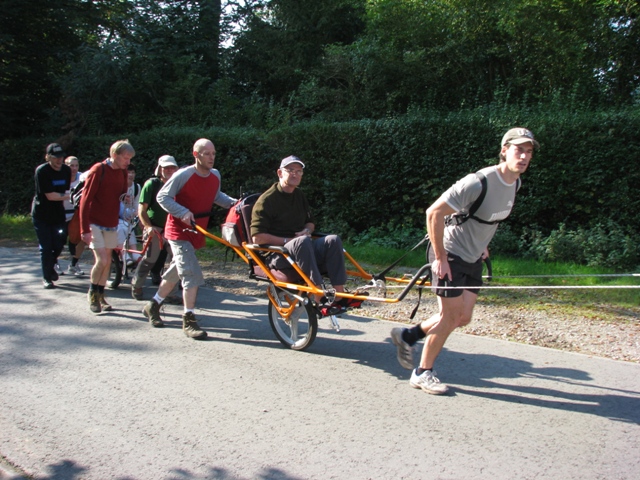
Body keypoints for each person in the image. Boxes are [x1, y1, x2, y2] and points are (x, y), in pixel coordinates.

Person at [391, 127, 538, 395]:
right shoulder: (478, 181)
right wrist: (442, 259)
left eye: (529, 152)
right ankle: (422, 373)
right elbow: (433, 212)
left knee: (463, 317)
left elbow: (487, 219)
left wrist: (484, 246)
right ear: (504, 150)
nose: (524, 156)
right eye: (519, 150)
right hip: (449, 253)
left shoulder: (514, 183)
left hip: (473, 255)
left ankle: (408, 336)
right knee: (450, 317)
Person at [142, 139, 236, 339]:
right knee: (190, 272)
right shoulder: (183, 175)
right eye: (206, 153)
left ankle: (153, 305)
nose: (211, 157)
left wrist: (234, 204)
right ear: (196, 154)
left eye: (213, 153)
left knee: (177, 270)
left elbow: (215, 195)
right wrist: (182, 211)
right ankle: (189, 318)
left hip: (196, 230)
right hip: (178, 231)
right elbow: (162, 197)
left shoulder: (215, 175)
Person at [250, 155, 358, 315]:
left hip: (301, 249)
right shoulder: (267, 200)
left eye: (299, 171)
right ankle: (318, 295)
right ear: (280, 173)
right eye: (290, 170)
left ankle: (338, 296)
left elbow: (310, 222)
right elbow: (257, 237)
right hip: (276, 254)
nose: (295, 174)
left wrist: (307, 231)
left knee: (332, 240)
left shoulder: (299, 195)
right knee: (301, 242)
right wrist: (290, 240)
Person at [79, 139, 134, 313]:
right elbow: (85, 200)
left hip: (111, 222)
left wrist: (124, 197)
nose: (128, 162)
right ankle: (93, 293)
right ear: (114, 155)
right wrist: (84, 229)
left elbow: (121, 192)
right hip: (94, 221)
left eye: (129, 158)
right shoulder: (98, 170)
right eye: (125, 157)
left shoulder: (123, 172)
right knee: (102, 259)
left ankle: (101, 295)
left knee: (108, 261)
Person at [131, 155, 179, 301]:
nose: (169, 170)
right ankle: (136, 285)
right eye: (166, 167)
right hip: (155, 228)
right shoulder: (152, 184)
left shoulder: (179, 184)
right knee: (150, 259)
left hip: (172, 229)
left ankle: (170, 292)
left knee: (177, 260)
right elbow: (142, 209)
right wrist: (148, 227)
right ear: (160, 169)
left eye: (172, 167)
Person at [31, 143, 72, 289]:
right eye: (55, 157)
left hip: (58, 214)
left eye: (61, 157)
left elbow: (65, 192)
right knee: (46, 247)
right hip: (42, 215)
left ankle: (50, 266)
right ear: (47, 157)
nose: (59, 160)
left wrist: (69, 196)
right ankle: (46, 278)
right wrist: (70, 197)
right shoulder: (42, 171)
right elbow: (51, 196)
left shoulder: (66, 170)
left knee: (59, 244)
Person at [63, 156, 86, 276]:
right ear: (65, 165)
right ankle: (54, 263)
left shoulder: (81, 178)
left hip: (76, 213)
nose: (74, 168)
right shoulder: (60, 177)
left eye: (76, 165)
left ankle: (73, 264)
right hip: (60, 213)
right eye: (71, 165)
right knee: (59, 239)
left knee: (79, 239)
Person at [116, 163, 141, 266]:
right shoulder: (118, 185)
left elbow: (136, 204)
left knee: (128, 226)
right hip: (117, 215)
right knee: (121, 227)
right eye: (128, 172)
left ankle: (134, 253)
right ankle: (124, 253)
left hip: (129, 217)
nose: (130, 175)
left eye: (132, 172)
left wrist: (137, 214)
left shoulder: (136, 187)